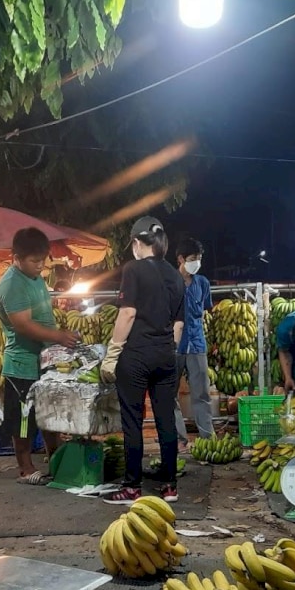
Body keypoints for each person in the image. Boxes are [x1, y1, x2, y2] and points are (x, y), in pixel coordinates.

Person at [101, 216, 185, 504]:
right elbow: (179, 325)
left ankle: (132, 487)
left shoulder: (133, 269)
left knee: (133, 420)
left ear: (137, 243)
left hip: (136, 355)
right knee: (166, 419)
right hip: (166, 356)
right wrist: (166, 349)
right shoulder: (175, 275)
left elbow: (127, 313)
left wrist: (113, 353)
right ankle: (170, 485)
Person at [0, 227, 80, 485]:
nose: (40, 265)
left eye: (43, 260)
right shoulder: (12, 284)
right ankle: (25, 468)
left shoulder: (35, 277)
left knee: (49, 414)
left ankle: (56, 459)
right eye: (34, 261)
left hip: (44, 360)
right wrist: (58, 336)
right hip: (22, 364)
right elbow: (23, 325)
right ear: (16, 257)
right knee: (24, 419)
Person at [171, 238, 214, 450]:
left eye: (199, 258)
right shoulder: (168, 282)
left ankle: (207, 439)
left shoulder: (203, 283)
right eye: (193, 258)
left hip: (197, 344)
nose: (197, 263)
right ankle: (178, 439)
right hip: (173, 345)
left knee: (202, 394)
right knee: (169, 394)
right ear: (181, 259)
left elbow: (204, 311)